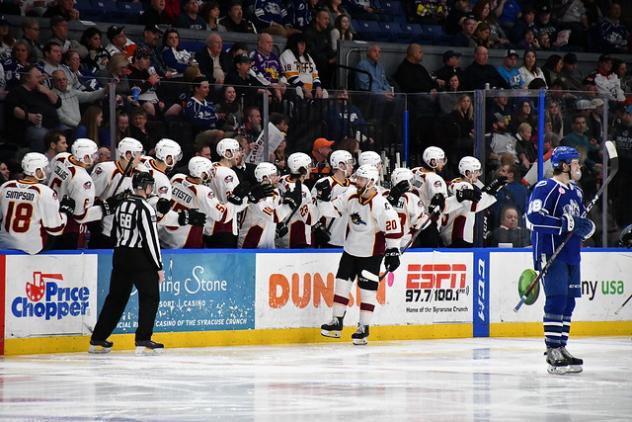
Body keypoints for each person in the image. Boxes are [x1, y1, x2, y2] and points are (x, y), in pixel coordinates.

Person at [526, 146, 595, 375]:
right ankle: (552, 349)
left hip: (572, 253)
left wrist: (587, 227)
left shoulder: (576, 191)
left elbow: (580, 220)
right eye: (575, 163)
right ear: (564, 165)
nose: (578, 166)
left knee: (569, 302)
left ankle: (562, 347)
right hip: (551, 251)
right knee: (556, 299)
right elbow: (534, 219)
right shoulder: (545, 187)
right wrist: (566, 224)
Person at [316, 164, 402, 345]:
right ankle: (337, 321)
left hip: (372, 255)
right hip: (350, 251)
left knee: (367, 292)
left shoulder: (380, 203)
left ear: (371, 182)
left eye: (361, 179)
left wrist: (393, 251)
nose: (357, 181)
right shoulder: (350, 195)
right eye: (357, 178)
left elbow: (393, 228)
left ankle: (363, 327)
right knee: (341, 285)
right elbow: (330, 211)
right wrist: (322, 199)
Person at [89, 172, 165, 355]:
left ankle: (97, 339)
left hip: (120, 255)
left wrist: (121, 248)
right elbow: (151, 239)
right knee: (150, 296)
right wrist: (158, 266)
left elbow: (114, 232)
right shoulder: (146, 208)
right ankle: (143, 339)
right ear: (147, 187)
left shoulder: (122, 204)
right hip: (139, 257)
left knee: (116, 298)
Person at [47, 138, 122, 249]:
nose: (96, 158)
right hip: (69, 228)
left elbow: (48, 175)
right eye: (94, 154)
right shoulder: (83, 179)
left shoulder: (61, 157)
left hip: (48, 216)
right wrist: (105, 208)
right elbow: (81, 215)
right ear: (85, 157)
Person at [0, 152, 68, 254]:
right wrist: (65, 213)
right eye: (44, 168)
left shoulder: (5, 186)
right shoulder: (45, 191)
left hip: (4, 245)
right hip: (32, 249)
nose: (47, 170)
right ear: (37, 170)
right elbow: (55, 229)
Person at [90, 137, 146, 248]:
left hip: (131, 234)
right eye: (139, 154)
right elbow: (90, 200)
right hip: (107, 232)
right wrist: (107, 204)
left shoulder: (142, 171)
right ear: (128, 155)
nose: (141, 158)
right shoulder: (106, 170)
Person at [441, 156, 502, 247]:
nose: (479, 174)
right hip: (459, 237)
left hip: (458, 235)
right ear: (467, 173)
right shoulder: (464, 185)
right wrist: (493, 191)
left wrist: (491, 189)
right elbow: (473, 206)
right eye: (476, 172)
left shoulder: (467, 183)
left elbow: (483, 190)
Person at [238, 162, 296, 249]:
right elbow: (274, 216)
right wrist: (290, 205)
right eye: (274, 175)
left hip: (267, 242)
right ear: (264, 178)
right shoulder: (256, 197)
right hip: (250, 245)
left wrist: (279, 225)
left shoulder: (275, 192)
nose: (278, 177)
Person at [310, 149, 354, 248]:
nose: (352, 166)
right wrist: (316, 228)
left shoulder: (354, 184)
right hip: (330, 239)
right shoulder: (325, 183)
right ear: (341, 165)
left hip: (351, 242)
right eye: (350, 163)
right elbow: (312, 208)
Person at [276, 152, 317, 249]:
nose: (311, 169)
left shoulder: (279, 181)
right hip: (297, 238)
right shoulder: (303, 189)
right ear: (303, 169)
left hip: (279, 236)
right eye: (309, 166)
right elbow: (310, 218)